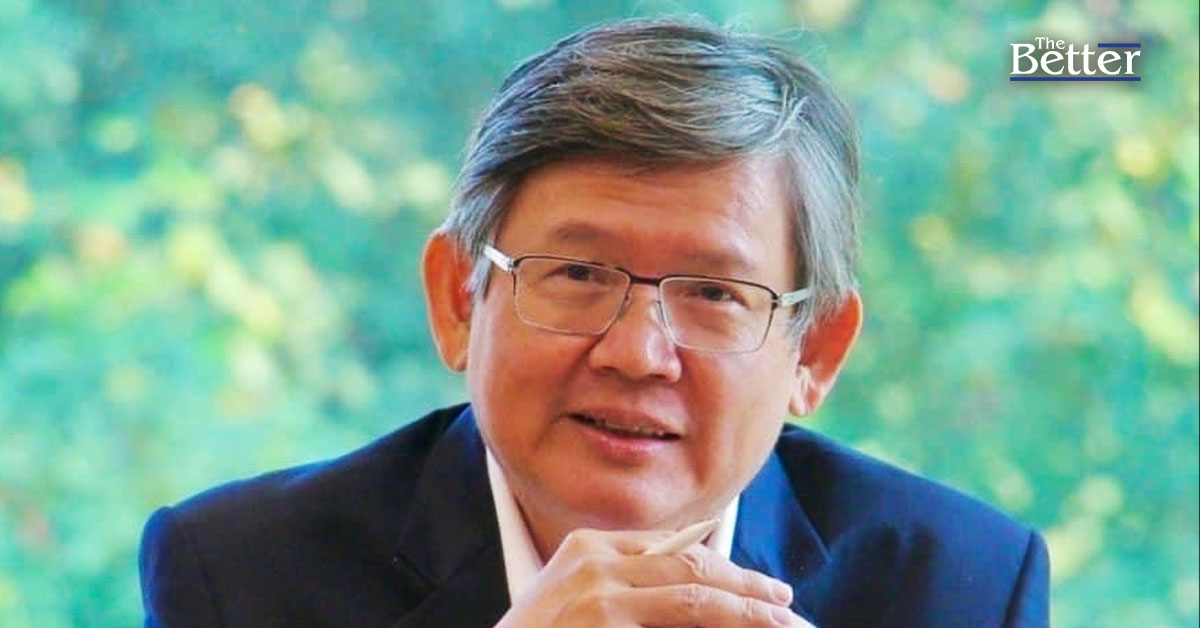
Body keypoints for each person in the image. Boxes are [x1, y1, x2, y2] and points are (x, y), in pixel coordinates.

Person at [139, 17, 1049, 628]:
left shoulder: (957, 586)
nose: (638, 354)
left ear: (814, 351)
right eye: (577, 274)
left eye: (715, 294)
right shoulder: (238, 575)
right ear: (459, 300)